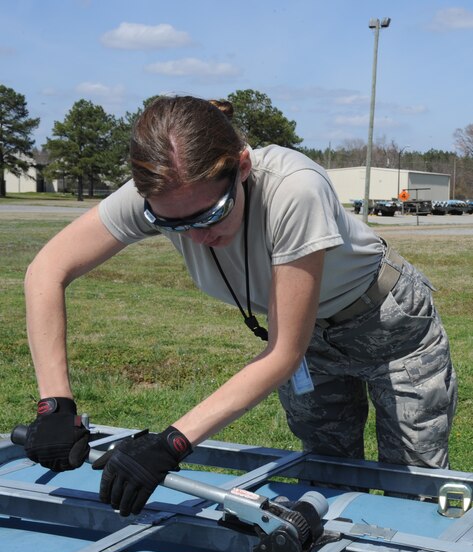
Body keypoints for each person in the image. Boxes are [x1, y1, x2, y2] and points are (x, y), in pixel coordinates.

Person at [23, 95, 457, 517]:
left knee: (412, 488)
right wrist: (54, 404)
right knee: (328, 479)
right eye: (170, 224)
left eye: (210, 215)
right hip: (311, 345)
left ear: (242, 167)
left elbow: (284, 353)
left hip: (390, 325)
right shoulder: (160, 191)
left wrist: (171, 443)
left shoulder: (294, 190)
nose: (195, 236)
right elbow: (46, 271)